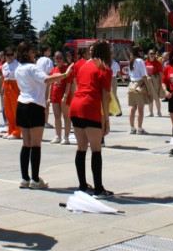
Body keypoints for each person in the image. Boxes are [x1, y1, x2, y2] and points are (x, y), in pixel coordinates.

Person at [13, 41, 72, 190]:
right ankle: (35, 179)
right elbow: (46, 79)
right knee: (36, 145)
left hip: (21, 105)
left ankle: (24, 178)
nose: (35, 54)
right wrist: (65, 74)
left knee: (26, 144)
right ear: (27, 53)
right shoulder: (32, 68)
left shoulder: (19, 68)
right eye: (32, 51)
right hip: (34, 106)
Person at [70, 40, 114, 196]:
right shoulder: (104, 68)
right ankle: (99, 188)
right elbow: (106, 95)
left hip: (75, 107)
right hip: (90, 107)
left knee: (81, 148)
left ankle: (82, 185)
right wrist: (106, 119)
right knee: (96, 149)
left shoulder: (83, 66)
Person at [49, 51, 73, 145]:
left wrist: (65, 96)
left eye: (60, 58)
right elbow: (51, 84)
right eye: (57, 58)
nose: (58, 60)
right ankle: (58, 136)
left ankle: (66, 137)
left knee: (66, 117)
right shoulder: (54, 70)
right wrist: (49, 97)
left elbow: (68, 84)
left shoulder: (67, 70)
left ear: (63, 59)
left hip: (64, 97)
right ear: (54, 59)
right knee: (56, 116)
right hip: (55, 96)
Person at [127, 46, 148, 135]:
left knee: (132, 108)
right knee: (140, 108)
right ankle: (139, 128)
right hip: (139, 85)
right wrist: (148, 87)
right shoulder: (140, 61)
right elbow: (144, 75)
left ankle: (132, 128)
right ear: (138, 52)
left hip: (131, 85)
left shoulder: (130, 62)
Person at [1, 47, 21, 139]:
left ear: (14, 55)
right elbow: (3, 77)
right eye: (7, 55)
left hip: (15, 87)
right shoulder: (4, 65)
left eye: (11, 54)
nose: (9, 57)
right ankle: (10, 129)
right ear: (4, 56)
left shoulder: (18, 65)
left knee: (15, 110)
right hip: (6, 87)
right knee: (8, 110)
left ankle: (17, 131)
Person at [37, 46, 54, 128]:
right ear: (45, 52)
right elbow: (51, 71)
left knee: (40, 101)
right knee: (46, 101)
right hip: (46, 81)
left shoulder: (38, 60)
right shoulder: (48, 60)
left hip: (38, 82)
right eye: (49, 50)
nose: (50, 51)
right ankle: (45, 121)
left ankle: (40, 120)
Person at [144, 49, 164, 117]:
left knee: (156, 96)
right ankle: (150, 112)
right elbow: (143, 72)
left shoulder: (157, 63)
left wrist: (161, 83)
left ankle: (158, 112)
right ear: (148, 54)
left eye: (153, 53)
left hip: (155, 79)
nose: (152, 55)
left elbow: (161, 73)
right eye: (150, 53)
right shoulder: (145, 62)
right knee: (149, 96)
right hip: (147, 80)